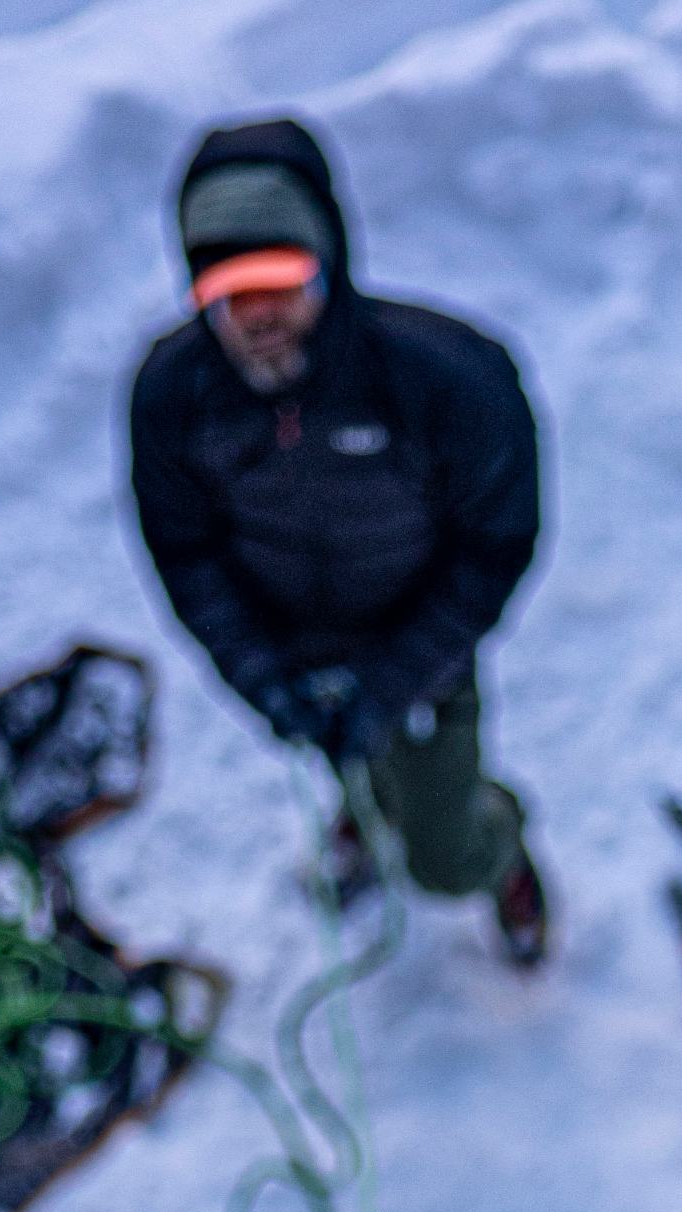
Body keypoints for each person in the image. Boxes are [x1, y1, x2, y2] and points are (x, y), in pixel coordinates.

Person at [129, 115, 551, 964]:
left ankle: (491, 849)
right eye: (226, 291)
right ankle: (366, 810)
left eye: (278, 279)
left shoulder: (449, 378)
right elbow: (187, 554)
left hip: (420, 642)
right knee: (346, 756)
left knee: (441, 858)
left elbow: (495, 546)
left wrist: (397, 679)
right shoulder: (173, 397)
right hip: (294, 649)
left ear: (328, 263)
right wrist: (259, 676)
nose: (257, 314)